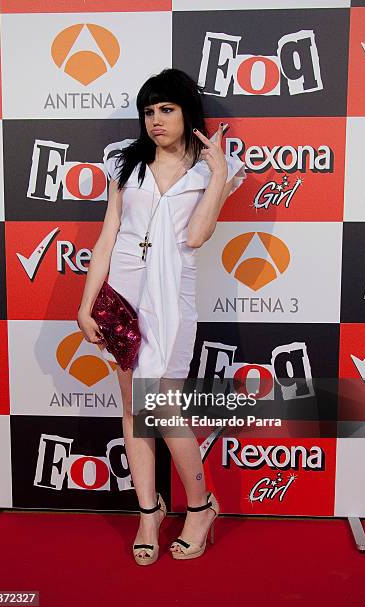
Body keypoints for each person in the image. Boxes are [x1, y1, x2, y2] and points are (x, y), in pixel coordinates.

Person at [77, 68, 246, 565]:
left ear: (187, 111)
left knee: (164, 409)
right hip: (122, 293)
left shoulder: (216, 168)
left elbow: (195, 237)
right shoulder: (124, 162)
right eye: (148, 111)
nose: (155, 120)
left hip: (172, 298)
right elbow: (109, 233)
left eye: (166, 109)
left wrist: (216, 175)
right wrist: (87, 303)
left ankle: (200, 507)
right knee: (132, 407)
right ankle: (148, 511)